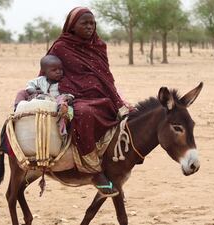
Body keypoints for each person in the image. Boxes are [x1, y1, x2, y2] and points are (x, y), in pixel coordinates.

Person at [43, 7, 129, 197]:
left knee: (128, 115)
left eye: (92, 23)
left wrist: (119, 100)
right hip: (75, 96)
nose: (90, 26)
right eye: (85, 23)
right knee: (84, 113)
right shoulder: (60, 47)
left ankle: (112, 163)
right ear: (72, 26)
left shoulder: (99, 45)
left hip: (101, 95)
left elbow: (106, 76)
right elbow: (47, 73)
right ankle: (93, 170)